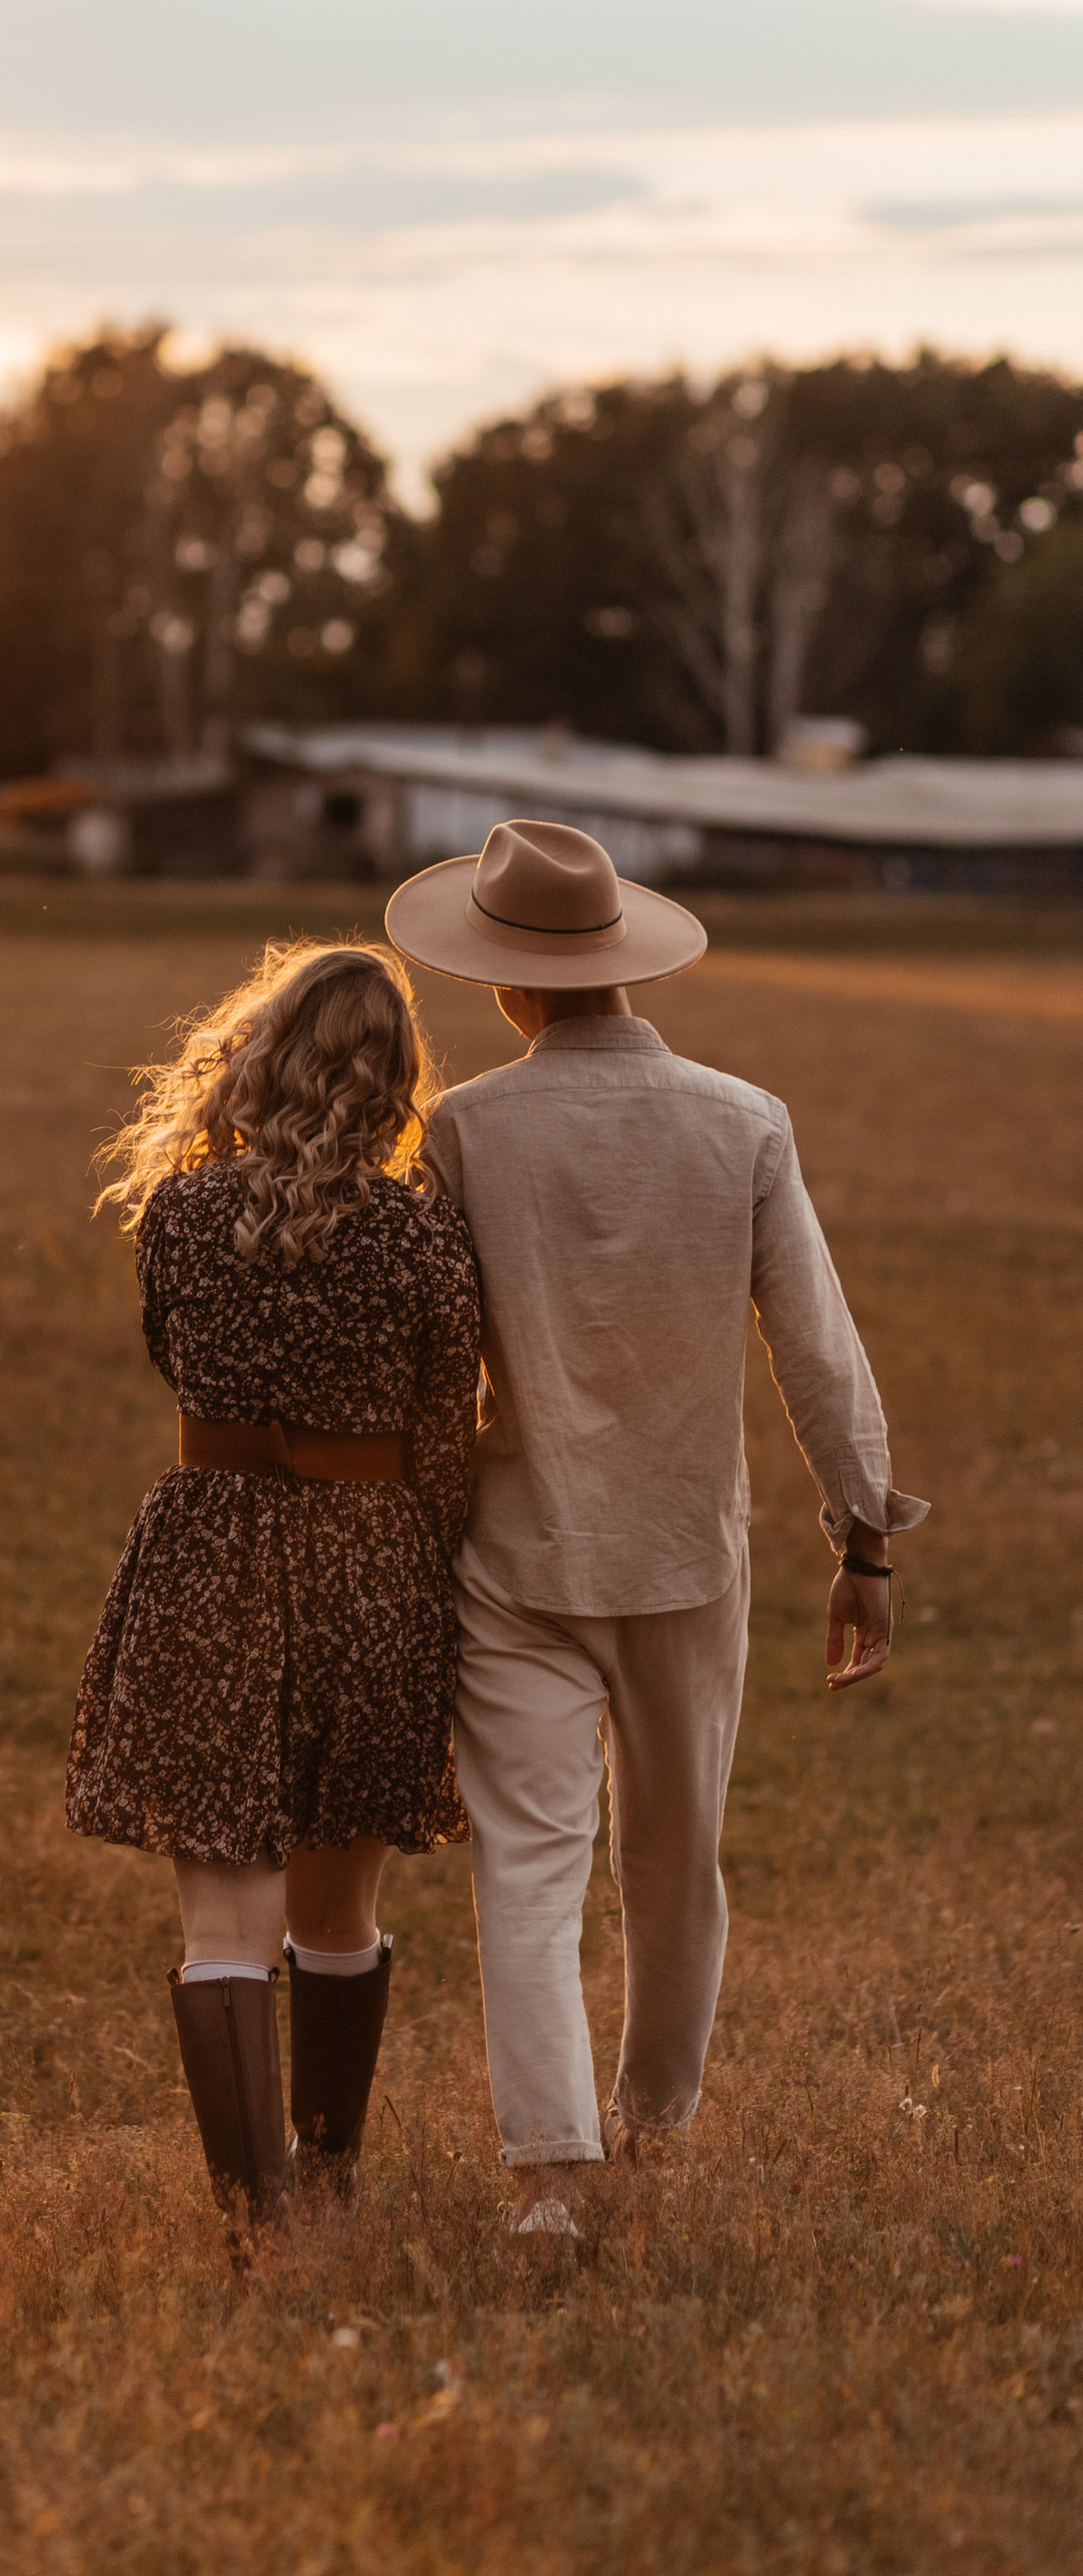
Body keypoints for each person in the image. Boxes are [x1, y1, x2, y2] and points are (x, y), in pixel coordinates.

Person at [383, 819, 926, 2236]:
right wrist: (864, 1540)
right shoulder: (744, 1119)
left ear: (504, 986)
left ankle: (551, 2181)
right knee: (675, 1858)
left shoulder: (466, 1131)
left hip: (517, 1556)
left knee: (531, 1862)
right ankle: (657, 2126)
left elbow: (436, 1361)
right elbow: (817, 1343)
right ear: (630, 968)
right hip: (689, 1551)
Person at [65, 941, 482, 2262]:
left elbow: (167, 1360)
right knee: (337, 1911)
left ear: (259, 1053)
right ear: (397, 1079)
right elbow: (447, 1446)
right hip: (370, 1570)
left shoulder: (183, 1217)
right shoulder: (422, 1234)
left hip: (211, 1561)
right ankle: (333, 2177)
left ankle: (256, 2224)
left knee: (223, 1922)